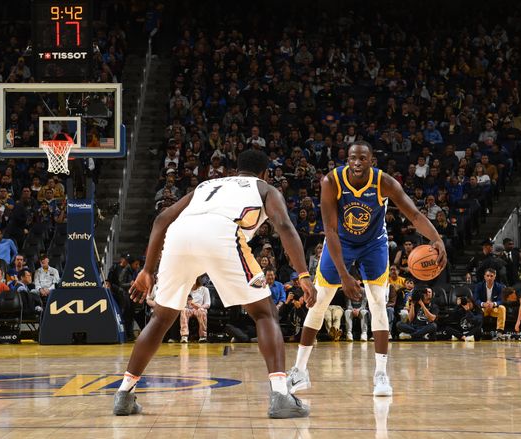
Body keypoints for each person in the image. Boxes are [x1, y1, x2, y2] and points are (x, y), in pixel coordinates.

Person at [114, 150, 316, 419]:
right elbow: (285, 226)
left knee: (161, 318)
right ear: (265, 173)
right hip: (221, 233)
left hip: (179, 236)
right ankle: (280, 395)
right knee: (265, 312)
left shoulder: (206, 184)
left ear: (236, 170)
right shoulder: (264, 188)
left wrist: (148, 270)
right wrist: (303, 274)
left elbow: (162, 219)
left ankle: (124, 394)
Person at [288, 142, 446, 397]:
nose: (357, 162)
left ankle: (381, 374)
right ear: (347, 160)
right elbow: (329, 229)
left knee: (377, 303)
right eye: (352, 158)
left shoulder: (384, 182)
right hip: (340, 241)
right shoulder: (331, 181)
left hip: (373, 244)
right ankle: (299, 370)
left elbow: (414, 215)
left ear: (371, 161)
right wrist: (344, 275)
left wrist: (437, 239)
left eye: (363, 158)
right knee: (319, 302)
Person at [179, 277, 210, 343]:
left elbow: (207, 304)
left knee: (202, 311)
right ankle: (184, 336)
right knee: (184, 310)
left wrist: (200, 306)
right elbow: (181, 302)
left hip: (199, 308)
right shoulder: (186, 290)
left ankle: (203, 336)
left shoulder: (204, 289)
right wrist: (187, 303)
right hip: (188, 308)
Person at [344, 274, 369, 341]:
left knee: (364, 312)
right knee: (347, 312)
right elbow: (348, 304)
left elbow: (364, 303)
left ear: (360, 282)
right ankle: (349, 333)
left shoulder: (364, 290)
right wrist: (352, 309)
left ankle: (364, 333)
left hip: (361, 309)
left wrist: (358, 310)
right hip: (352, 309)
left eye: (356, 281)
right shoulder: (349, 290)